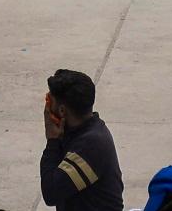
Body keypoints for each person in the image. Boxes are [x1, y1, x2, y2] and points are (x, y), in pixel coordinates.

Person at [41, 68, 124, 211]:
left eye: (49, 101)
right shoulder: (80, 131)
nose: (47, 108)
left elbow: (51, 193)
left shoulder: (91, 144)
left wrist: (52, 141)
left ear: (62, 111)